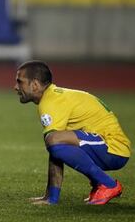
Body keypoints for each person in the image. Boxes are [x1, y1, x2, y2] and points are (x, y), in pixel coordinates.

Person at [14, 61, 131, 205]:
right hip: (107, 147)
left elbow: (54, 142)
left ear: (35, 85)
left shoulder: (51, 102)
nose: (16, 87)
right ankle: (96, 186)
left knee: (53, 139)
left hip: (114, 148)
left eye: (20, 82)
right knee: (55, 143)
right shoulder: (53, 96)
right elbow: (56, 151)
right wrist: (51, 198)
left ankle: (109, 185)